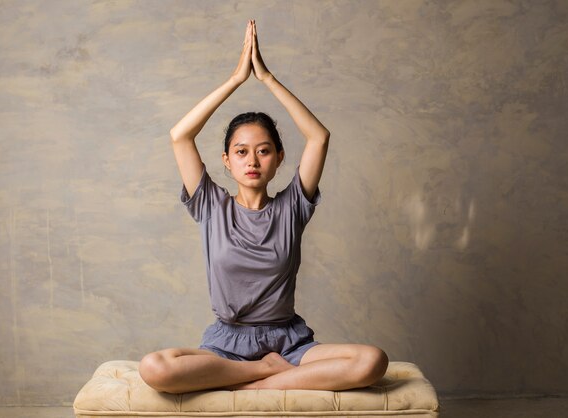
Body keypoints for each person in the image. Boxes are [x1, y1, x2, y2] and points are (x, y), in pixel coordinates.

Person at [139, 20, 388, 394]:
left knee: (372, 361)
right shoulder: (210, 205)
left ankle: (257, 381)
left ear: (278, 158)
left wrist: (267, 78)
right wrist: (236, 79)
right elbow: (180, 135)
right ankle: (264, 374)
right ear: (226, 160)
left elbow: (319, 136)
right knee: (154, 368)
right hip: (228, 343)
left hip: (289, 342)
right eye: (241, 152)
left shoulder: (292, 208)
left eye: (263, 150)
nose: (252, 160)